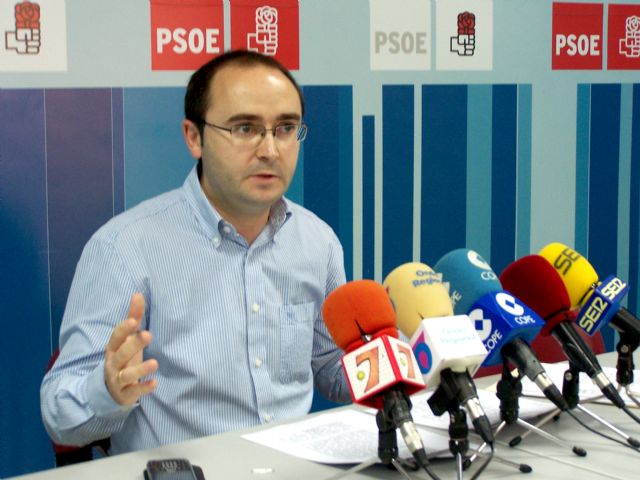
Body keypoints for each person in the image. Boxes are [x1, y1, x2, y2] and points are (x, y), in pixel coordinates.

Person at [40, 50, 350, 455]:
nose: (270, 150)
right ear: (194, 137)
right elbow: (58, 414)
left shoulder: (317, 241)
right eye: (245, 128)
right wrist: (109, 390)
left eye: (285, 128)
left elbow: (331, 370)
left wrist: (403, 358)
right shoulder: (125, 248)